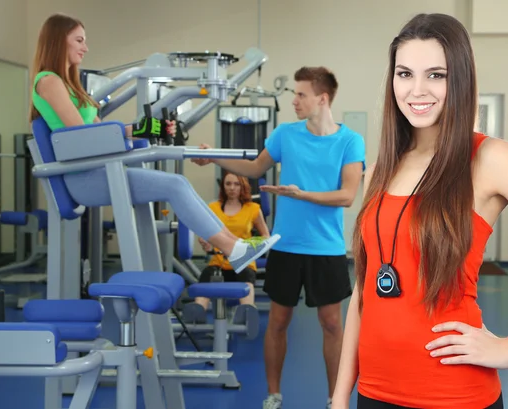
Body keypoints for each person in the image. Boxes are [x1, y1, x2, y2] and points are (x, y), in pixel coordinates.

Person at [332, 13, 508, 409]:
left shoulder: (489, 158)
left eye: (436, 75)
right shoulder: (379, 169)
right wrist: (340, 394)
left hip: (454, 394)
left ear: (460, 79)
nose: (416, 90)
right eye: (404, 73)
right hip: (375, 392)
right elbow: (365, 289)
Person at [29, 13, 280, 273]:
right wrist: (130, 131)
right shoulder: (49, 81)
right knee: (174, 184)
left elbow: (95, 132)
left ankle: (235, 246)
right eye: (79, 40)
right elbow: (82, 135)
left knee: (178, 183)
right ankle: (233, 249)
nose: (86, 47)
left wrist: (146, 129)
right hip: (82, 179)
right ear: (59, 41)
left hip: (97, 170)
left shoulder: (69, 86)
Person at [192, 66, 366, 409]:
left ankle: (336, 399)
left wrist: (300, 194)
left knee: (332, 324)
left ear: (322, 98)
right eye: (294, 94)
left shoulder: (350, 141)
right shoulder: (286, 134)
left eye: (301, 94)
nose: (295, 101)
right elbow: (256, 169)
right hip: (285, 246)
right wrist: (214, 157)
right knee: (278, 322)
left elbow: (347, 195)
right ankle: (273, 394)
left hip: (326, 247)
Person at [187, 171, 270, 320]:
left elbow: (265, 236)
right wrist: (205, 241)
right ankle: (197, 314)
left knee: (247, 279)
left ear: (242, 186)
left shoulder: (253, 209)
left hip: (243, 262)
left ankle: (247, 312)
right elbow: (205, 233)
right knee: (207, 276)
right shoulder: (213, 208)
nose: (232, 188)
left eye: (236, 184)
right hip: (219, 261)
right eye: (228, 184)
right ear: (223, 187)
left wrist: (249, 246)